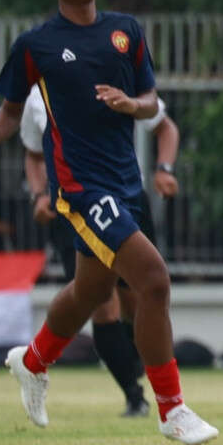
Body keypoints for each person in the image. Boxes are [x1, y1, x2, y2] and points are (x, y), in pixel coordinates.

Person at [0, 0, 217, 445]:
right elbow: (11, 114)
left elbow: (152, 100)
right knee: (153, 281)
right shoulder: (35, 45)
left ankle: (33, 361)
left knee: (91, 289)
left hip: (126, 184)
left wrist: (133, 105)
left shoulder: (125, 31)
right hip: (82, 190)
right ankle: (171, 410)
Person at [21, 79, 174, 418]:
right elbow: (33, 154)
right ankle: (137, 397)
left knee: (139, 297)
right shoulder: (37, 97)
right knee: (99, 302)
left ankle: (37, 359)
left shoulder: (116, 76)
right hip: (73, 208)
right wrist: (38, 194)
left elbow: (165, 127)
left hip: (126, 202)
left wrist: (164, 169)